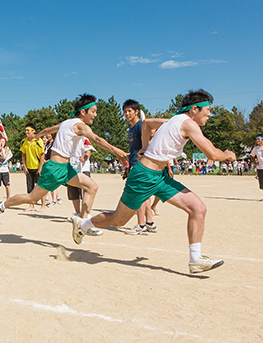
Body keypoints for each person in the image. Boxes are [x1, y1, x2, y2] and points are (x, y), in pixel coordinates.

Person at [72, 90, 236, 274]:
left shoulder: (172, 120)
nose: (209, 114)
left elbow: (148, 123)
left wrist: (144, 146)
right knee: (119, 220)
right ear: (195, 109)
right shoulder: (188, 124)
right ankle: (83, 225)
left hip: (160, 177)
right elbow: (212, 154)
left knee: (198, 208)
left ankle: (195, 260)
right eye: (208, 110)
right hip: (143, 176)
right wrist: (228, 155)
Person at [0, 94, 128, 232]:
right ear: (83, 112)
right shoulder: (80, 126)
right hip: (55, 169)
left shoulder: (66, 123)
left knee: (92, 187)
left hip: (66, 168)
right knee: (31, 198)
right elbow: (97, 139)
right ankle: (1, 206)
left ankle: (83, 224)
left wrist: (36, 137)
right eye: (93, 111)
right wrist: (116, 151)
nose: (96, 115)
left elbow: (47, 130)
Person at [122, 99, 157, 234]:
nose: (126, 114)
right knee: (145, 195)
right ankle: (150, 222)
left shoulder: (140, 125)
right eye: (124, 111)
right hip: (133, 164)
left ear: (136, 111)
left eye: (129, 111)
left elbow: (147, 143)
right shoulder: (131, 128)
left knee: (139, 195)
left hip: (139, 165)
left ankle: (141, 225)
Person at [19, 124, 45, 211]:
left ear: (33, 131)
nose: (26, 132)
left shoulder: (38, 141)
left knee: (40, 187)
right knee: (30, 188)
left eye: (28, 130)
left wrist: (40, 167)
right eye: (25, 130)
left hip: (38, 168)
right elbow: (23, 155)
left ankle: (43, 205)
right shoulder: (24, 141)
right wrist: (24, 167)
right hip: (29, 168)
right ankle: (31, 206)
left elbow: (42, 154)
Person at [67, 138, 92, 221]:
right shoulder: (69, 140)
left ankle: (85, 213)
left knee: (85, 192)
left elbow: (88, 151)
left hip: (83, 169)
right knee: (73, 192)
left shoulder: (84, 139)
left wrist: (84, 158)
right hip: (71, 169)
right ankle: (77, 212)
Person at [0, 135, 12, 200]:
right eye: (0, 141)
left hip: (4, 170)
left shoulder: (7, 149)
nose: (1, 143)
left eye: (3, 141)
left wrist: (2, 149)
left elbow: (4, 157)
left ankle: (8, 198)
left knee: (7, 186)